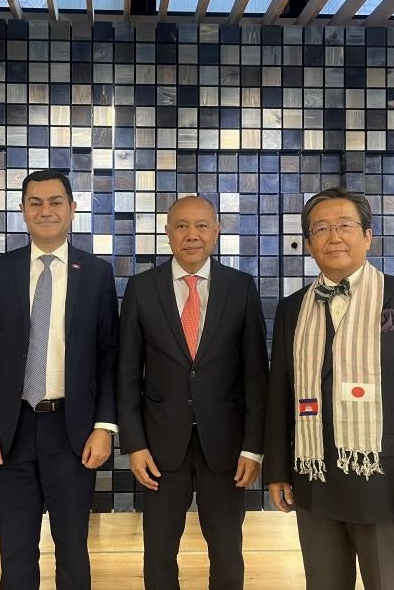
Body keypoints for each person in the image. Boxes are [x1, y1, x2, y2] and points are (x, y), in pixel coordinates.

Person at [264, 187, 394, 590]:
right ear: (309, 243)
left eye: (345, 226)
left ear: (368, 236)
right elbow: (279, 395)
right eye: (321, 229)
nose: (333, 237)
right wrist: (277, 470)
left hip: (387, 485)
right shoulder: (291, 309)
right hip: (314, 480)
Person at [0, 169, 119, 589]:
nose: (45, 210)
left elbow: (110, 356)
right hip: (10, 431)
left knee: (72, 549)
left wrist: (105, 426)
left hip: (73, 431)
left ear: (72, 208)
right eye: (35, 202)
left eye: (55, 202)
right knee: (16, 551)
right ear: (22, 210)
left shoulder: (97, 273)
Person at [117, 195, 268, 589]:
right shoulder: (142, 288)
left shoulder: (240, 287)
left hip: (227, 447)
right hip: (160, 447)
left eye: (202, 226)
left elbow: (256, 375)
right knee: (159, 552)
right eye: (181, 226)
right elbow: (127, 373)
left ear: (216, 232)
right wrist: (134, 444)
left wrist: (253, 447)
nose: (192, 235)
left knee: (227, 551)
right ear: (168, 233)